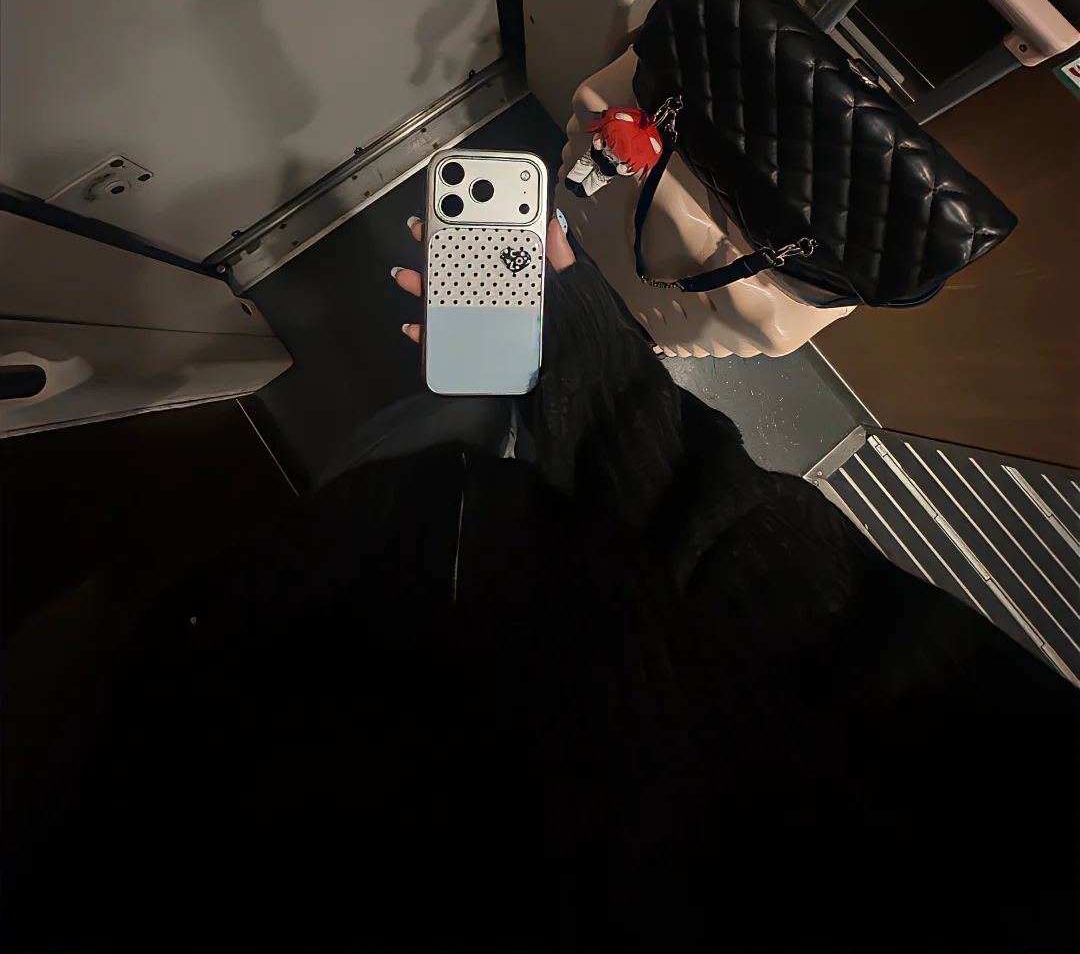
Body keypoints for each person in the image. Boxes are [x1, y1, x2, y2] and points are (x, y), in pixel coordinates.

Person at [15, 217, 1079, 950]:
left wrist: (578, 373)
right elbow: (833, 625)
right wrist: (583, 370)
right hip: (413, 645)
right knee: (456, 423)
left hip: (286, 695)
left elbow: (829, 617)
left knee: (451, 423)